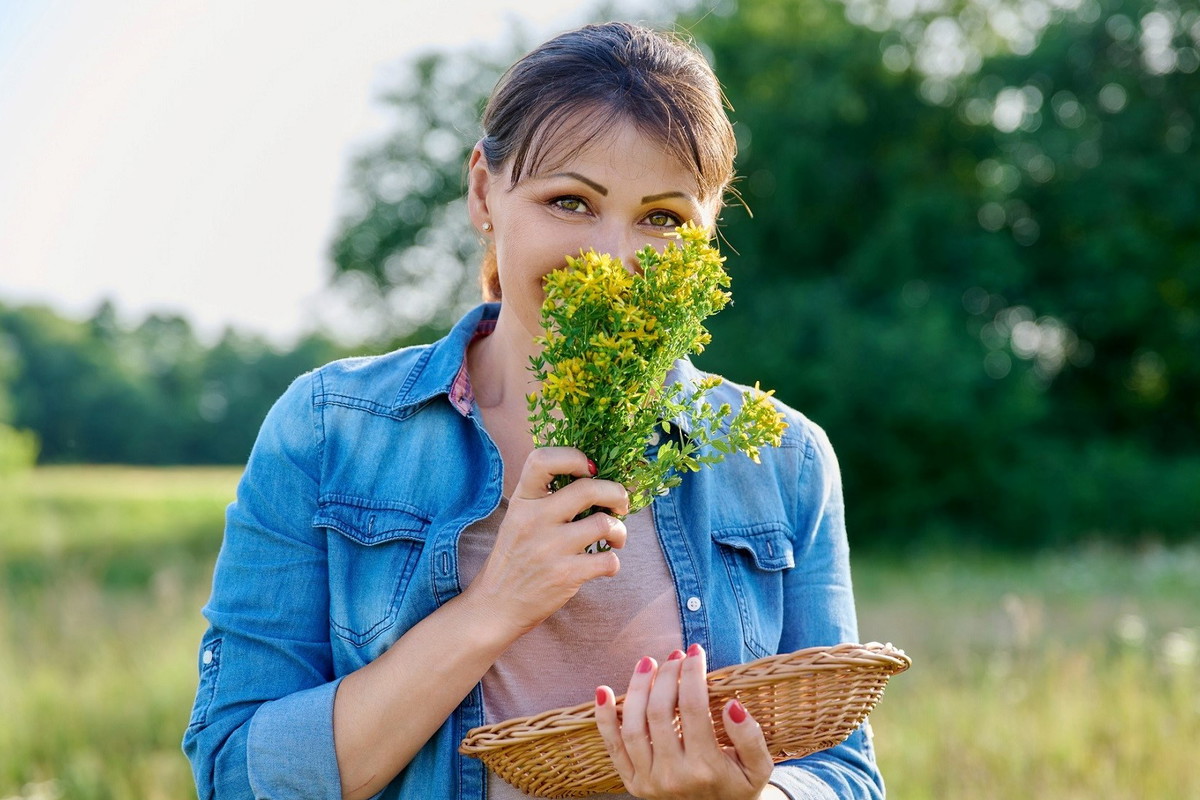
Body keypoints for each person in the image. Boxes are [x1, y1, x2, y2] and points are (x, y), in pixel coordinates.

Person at [184, 21, 885, 800]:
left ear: (709, 233)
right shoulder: (328, 430)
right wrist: (493, 606)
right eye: (571, 202)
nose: (614, 262)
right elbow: (236, 774)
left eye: (663, 218)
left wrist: (751, 797)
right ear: (485, 191)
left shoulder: (784, 460)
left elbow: (844, 774)